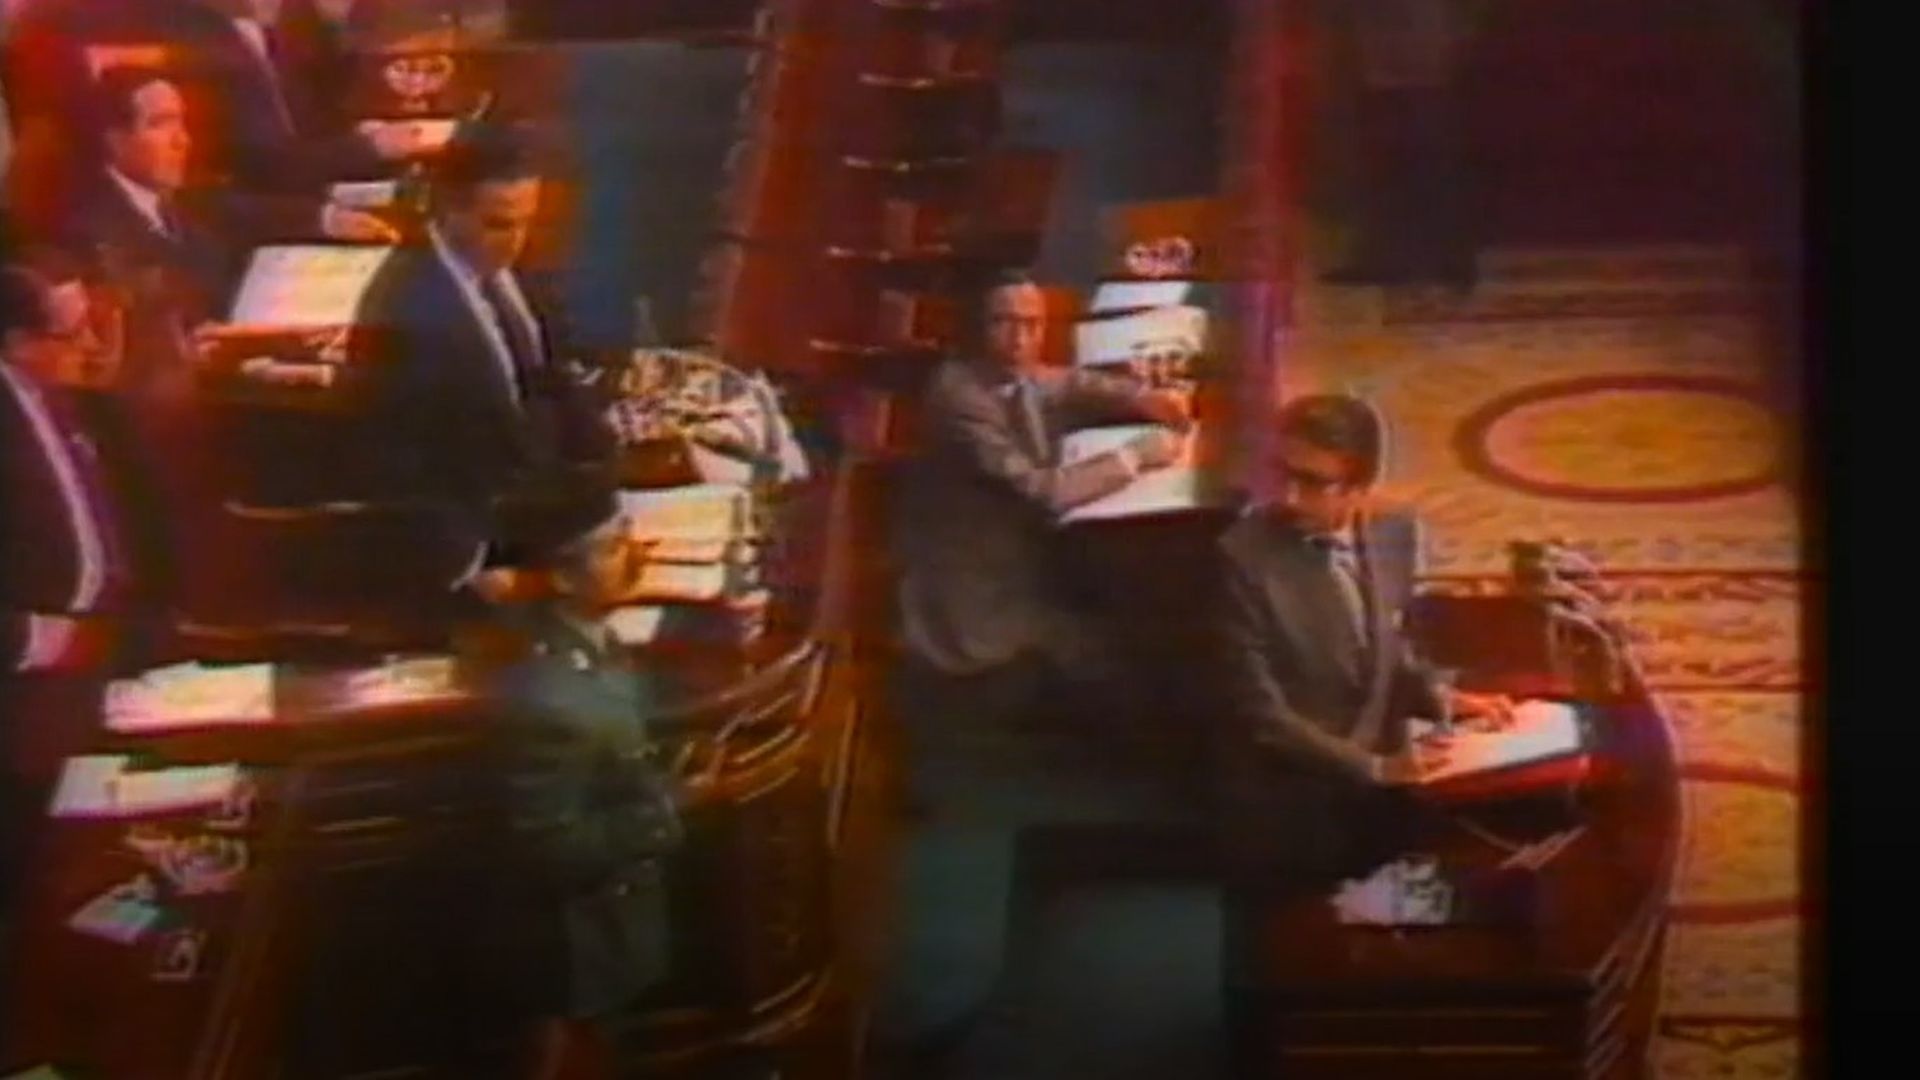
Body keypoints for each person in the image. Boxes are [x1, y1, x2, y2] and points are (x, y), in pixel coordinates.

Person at [874, 271, 1193, 1076]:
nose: (1021, 339)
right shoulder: (961, 400)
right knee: (1106, 653)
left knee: (1116, 619)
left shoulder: (1015, 374)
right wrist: (1137, 452)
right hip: (975, 597)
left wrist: (1145, 400)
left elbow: (1064, 383)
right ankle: (1153, 785)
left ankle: (1142, 764)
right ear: (975, 328)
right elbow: (1042, 491)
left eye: (1031, 323)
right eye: (1004, 323)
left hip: (1019, 565)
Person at [1210, 393, 1513, 1062]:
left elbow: (1387, 646)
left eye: (1312, 481)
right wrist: (1375, 769)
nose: (1288, 496)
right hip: (1286, 807)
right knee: (1283, 996)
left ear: (1360, 487)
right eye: (1281, 472)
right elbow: (1257, 712)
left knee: (1387, 966)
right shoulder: (1242, 558)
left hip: (1380, 801)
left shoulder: (1395, 533)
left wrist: (1443, 698)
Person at [331, 121, 616, 599]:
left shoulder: (514, 269)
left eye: (528, 221)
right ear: (447, 209)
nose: (517, 241)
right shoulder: (403, 313)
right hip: (474, 556)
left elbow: (554, 377)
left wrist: (605, 483)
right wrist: (475, 568)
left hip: (545, 510)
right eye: (499, 224)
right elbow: (399, 470)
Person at [464, 497, 689, 1080]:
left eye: (629, 536)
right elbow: (551, 849)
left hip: (612, 935)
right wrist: (669, 807)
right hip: (578, 956)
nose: (636, 555)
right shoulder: (550, 701)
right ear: (563, 577)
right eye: (613, 548)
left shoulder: (587, 640)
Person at [0, 253, 138, 929]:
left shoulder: (52, 397)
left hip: (97, 653)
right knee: (33, 868)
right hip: (27, 684)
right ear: (19, 344)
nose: (87, 345)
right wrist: (43, 640)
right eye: (69, 333)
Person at [62, 64, 395, 322]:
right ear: (115, 140)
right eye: (160, 124)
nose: (182, 141)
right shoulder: (91, 230)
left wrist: (329, 219)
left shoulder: (175, 197)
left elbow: (238, 213)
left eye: (182, 123)